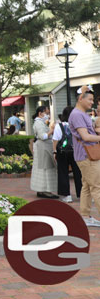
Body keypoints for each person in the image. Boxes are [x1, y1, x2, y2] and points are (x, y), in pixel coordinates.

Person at [69, 85, 100, 227]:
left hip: (86, 156)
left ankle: (86, 216)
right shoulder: (77, 114)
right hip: (87, 156)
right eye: (90, 99)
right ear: (81, 98)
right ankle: (86, 216)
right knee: (97, 187)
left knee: (87, 186)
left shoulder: (81, 114)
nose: (92, 102)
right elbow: (85, 136)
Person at [53, 106, 82, 203]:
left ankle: (66, 195)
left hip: (62, 152)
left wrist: (54, 151)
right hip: (76, 151)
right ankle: (82, 194)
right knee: (78, 173)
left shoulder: (59, 125)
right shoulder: (77, 125)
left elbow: (56, 140)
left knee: (63, 172)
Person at [30, 105, 58, 199]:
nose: (48, 115)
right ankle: (45, 191)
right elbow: (43, 136)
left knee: (43, 168)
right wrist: (52, 130)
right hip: (43, 147)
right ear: (40, 113)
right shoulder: (38, 123)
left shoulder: (40, 122)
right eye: (46, 113)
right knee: (45, 168)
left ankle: (41, 190)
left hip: (43, 147)